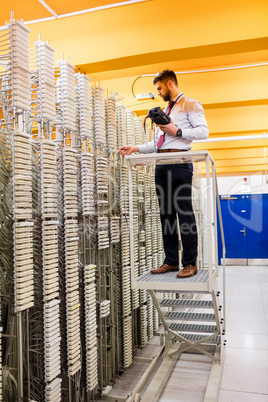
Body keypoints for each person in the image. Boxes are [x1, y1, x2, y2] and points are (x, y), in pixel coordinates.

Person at [119, 69, 209, 278]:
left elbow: (203, 132)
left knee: (184, 214)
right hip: (161, 164)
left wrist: (177, 131)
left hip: (179, 163)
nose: (158, 92)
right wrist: (135, 148)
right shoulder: (165, 111)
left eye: (159, 88)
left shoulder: (190, 105)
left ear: (170, 84)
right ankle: (171, 261)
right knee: (166, 215)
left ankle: (190, 263)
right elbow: (158, 143)